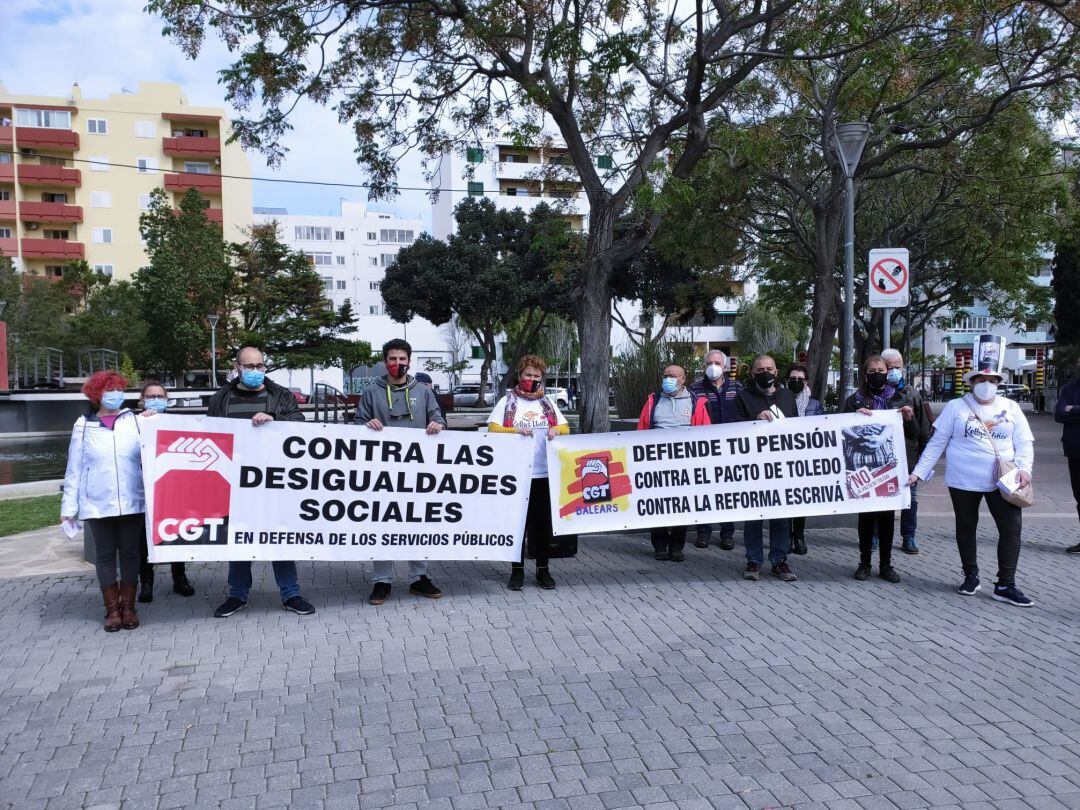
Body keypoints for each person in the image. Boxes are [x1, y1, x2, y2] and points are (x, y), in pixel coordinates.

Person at [910, 361, 1035, 606]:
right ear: (970, 383)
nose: (986, 385)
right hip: (963, 479)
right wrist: (919, 472)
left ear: (999, 384)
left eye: (992, 381)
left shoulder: (1010, 407)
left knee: (1011, 529)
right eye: (980, 380)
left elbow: (1024, 442)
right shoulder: (956, 407)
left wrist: (1025, 470)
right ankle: (970, 575)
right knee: (966, 526)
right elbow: (937, 443)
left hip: (1004, 480)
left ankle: (1005, 584)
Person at [208, 346, 316, 618]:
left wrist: (275, 419)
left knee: (279, 535)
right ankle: (237, 595)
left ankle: (290, 594)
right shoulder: (222, 397)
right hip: (235, 483)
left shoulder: (279, 395)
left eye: (259, 366)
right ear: (237, 367)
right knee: (238, 538)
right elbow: (210, 433)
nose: (255, 371)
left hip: (275, 481)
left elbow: (299, 424)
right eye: (249, 366)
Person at [356, 339, 446, 604]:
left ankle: (419, 577)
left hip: (418, 470)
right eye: (393, 359)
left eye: (402, 359)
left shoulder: (424, 391)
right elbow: (357, 425)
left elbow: (438, 418)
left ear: (409, 361)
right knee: (383, 523)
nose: (398, 364)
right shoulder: (371, 391)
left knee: (418, 521)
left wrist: (436, 425)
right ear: (385, 362)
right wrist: (366, 424)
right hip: (382, 471)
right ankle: (382, 580)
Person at [61, 371, 145, 632]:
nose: (116, 394)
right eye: (110, 390)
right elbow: (74, 469)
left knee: (131, 553)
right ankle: (112, 610)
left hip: (132, 501)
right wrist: (69, 508)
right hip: (98, 503)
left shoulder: (137, 422)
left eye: (120, 389)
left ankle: (129, 607)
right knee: (105, 555)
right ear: (97, 395)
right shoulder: (83, 425)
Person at [487, 355, 570, 589]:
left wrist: (556, 430)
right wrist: (515, 431)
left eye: (536, 376)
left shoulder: (547, 403)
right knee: (517, 525)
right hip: (515, 474)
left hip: (544, 474)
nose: (532, 379)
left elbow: (564, 427)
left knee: (542, 525)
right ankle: (517, 570)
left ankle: (543, 570)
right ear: (520, 376)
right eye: (528, 375)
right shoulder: (508, 401)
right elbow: (492, 429)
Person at [843, 356, 911, 584]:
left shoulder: (900, 399)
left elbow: (914, 432)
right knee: (866, 517)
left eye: (881, 370)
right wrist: (856, 422)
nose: (877, 374)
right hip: (861, 463)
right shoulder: (855, 400)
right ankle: (864, 562)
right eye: (872, 370)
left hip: (889, 464)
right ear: (865, 375)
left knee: (887, 518)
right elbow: (840, 427)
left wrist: (908, 419)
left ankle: (886, 564)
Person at [732, 355, 798, 582]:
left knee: (780, 517)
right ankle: (753, 560)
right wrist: (754, 419)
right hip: (753, 468)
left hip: (781, 467)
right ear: (752, 373)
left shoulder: (788, 396)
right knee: (754, 517)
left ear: (777, 372)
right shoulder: (742, 397)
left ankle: (779, 560)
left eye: (769, 368)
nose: (765, 372)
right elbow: (732, 430)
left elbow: (798, 429)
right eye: (760, 369)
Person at [637, 364, 710, 561]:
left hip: (685, 466)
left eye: (673, 376)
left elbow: (706, 433)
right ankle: (660, 546)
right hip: (657, 465)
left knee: (682, 506)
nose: (668, 379)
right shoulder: (653, 401)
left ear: (683, 379)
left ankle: (677, 546)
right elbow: (642, 431)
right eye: (666, 375)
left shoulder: (695, 402)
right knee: (658, 506)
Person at [135, 380, 195, 603]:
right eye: (152, 396)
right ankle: (146, 581)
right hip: (144, 490)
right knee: (145, 538)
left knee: (174, 533)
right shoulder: (134, 423)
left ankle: (179, 577)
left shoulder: (175, 422)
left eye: (161, 396)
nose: (156, 400)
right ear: (142, 399)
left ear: (167, 400)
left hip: (171, 488)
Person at [689, 350, 741, 550]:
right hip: (704, 450)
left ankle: (727, 534)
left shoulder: (737, 387)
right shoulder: (695, 389)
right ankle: (703, 533)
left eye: (717, 363)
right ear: (704, 365)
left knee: (727, 493)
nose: (713, 366)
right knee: (704, 491)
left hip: (731, 450)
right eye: (709, 362)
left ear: (725, 367)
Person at [881, 348, 931, 554]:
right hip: (882, 457)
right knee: (880, 498)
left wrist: (923, 461)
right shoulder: (874, 394)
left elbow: (923, 429)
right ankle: (876, 536)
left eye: (897, 367)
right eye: (889, 367)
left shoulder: (912, 394)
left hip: (908, 457)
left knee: (910, 499)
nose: (893, 371)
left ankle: (908, 537)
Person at [786, 362, 824, 555]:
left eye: (800, 379)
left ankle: (799, 536)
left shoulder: (814, 404)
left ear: (806, 381)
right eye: (793, 379)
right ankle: (785, 537)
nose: (796, 382)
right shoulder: (780, 400)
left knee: (800, 500)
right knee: (784, 500)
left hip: (804, 459)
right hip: (783, 458)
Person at [1057, 371, 1080, 554]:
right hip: (1075, 450)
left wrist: (1073, 409)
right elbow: (1058, 413)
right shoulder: (1070, 387)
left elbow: (1066, 411)